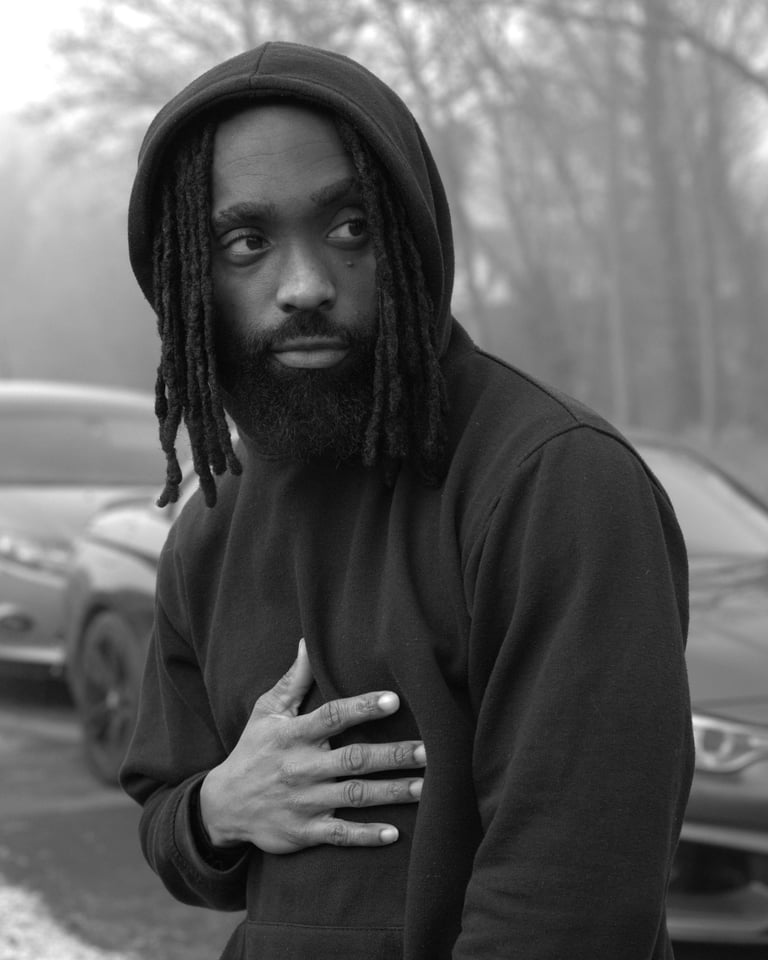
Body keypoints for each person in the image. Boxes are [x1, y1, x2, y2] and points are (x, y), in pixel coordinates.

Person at [121, 41, 693, 960]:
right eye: (247, 243)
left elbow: (571, 908)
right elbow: (167, 815)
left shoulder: (552, 481)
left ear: (412, 237)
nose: (305, 285)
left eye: (351, 227)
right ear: (189, 279)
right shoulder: (211, 528)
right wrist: (217, 808)